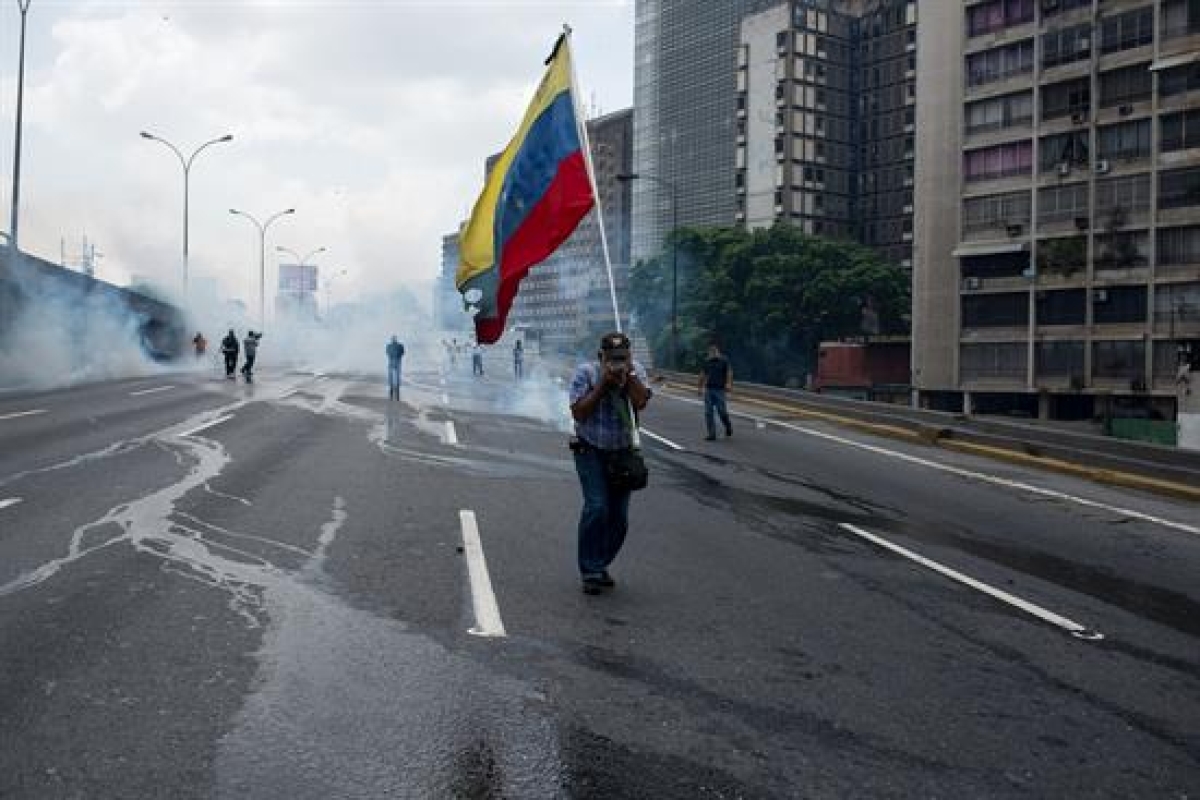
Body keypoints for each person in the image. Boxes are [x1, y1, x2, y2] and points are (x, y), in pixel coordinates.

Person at [568, 331, 651, 595]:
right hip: (590, 449)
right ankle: (590, 570)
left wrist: (628, 378)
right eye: (612, 358)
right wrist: (603, 385)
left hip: (621, 453)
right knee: (597, 507)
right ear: (600, 357)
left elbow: (641, 402)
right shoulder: (586, 373)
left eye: (622, 357)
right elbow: (579, 413)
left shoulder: (635, 371)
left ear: (630, 356)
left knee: (619, 519)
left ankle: (599, 562)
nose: (617, 363)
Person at [698, 342, 733, 441]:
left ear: (718, 352)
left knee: (722, 411)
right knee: (708, 412)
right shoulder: (707, 361)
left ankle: (728, 426)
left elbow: (729, 372)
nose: (712, 353)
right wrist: (700, 388)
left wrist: (728, 383)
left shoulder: (724, 360)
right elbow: (702, 375)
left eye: (714, 351)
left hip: (720, 390)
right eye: (710, 352)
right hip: (709, 390)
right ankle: (711, 434)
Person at [386, 335, 406, 400]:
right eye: (393, 339)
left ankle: (392, 389)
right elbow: (403, 352)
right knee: (396, 376)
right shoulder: (399, 345)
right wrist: (398, 356)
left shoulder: (389, 345)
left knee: (392, 376)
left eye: (393, 339)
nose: (393, 340)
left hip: (392, 362)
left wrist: (393, 357)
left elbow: (387, 353)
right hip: (396, 361)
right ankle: (395, 390)